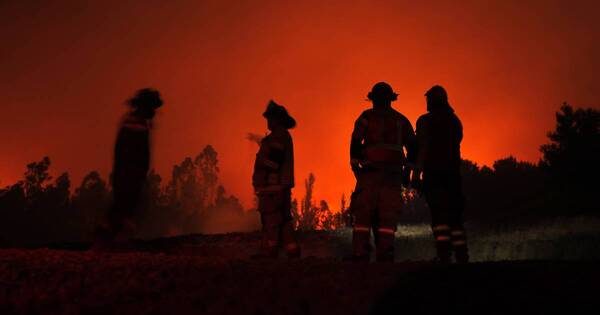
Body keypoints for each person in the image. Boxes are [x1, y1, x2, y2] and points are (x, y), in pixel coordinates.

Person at [349, 82, 417, 262]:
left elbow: (355, 142)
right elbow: (413, 147)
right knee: (387, 216)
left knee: (363, 214)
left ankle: (360, 253)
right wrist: (407, 171)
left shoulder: (366, 117)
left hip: (371, 173)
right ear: (390, 99)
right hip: (392, 175)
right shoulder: (401, 120)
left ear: (373, 98)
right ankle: (385, 253)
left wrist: (356, 166)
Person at [94, 88, 163, 249]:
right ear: (145, 107)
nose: (154, 111)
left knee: (123, 208)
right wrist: (135, 173)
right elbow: (134, 154)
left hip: (127, 173)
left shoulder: (133, 121)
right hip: (129, 174)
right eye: (152, 107)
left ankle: (110, 242)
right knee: (124, 208)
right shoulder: (135, 124)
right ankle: (109, 243)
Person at [412, 85, 469, 263]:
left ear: (431, 101)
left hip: (434, 175)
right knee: (455, 217)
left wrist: (416, 174)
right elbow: (458, 141)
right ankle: (461, 255)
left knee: (439, 215)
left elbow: (422, 148)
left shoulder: (424, 121)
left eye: (428, 99)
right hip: (453, 175)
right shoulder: (455, 121)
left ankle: (444, 255)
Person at [252, 100, 301, 259]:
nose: (268, 121)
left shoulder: (278, 136)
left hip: (273, 187)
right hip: (279, 186)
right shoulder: (280, 136)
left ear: (277, 119)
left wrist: (261, 164)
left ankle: (269, 251)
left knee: (271, 219)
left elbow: (273, 161)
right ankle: (292, 250)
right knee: (284, 220)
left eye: (270, 118)